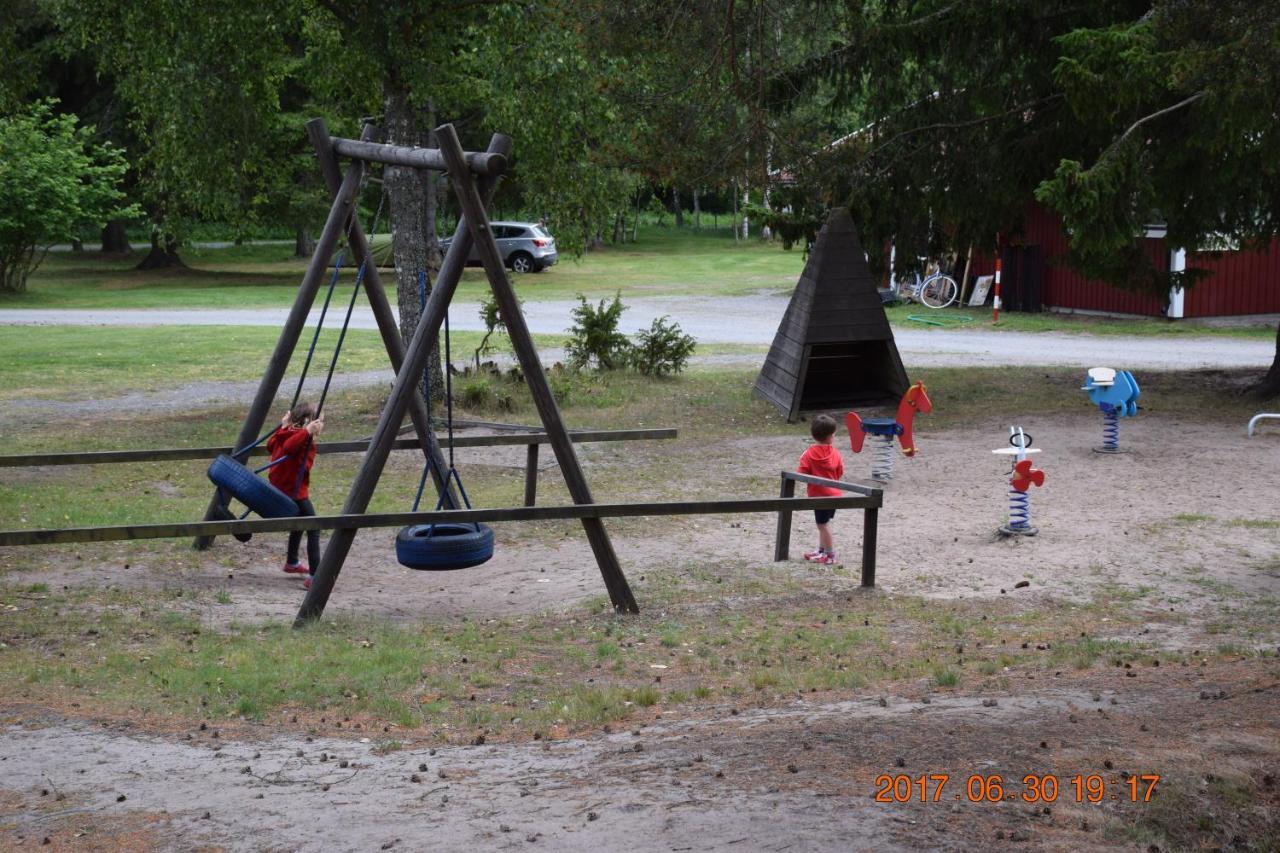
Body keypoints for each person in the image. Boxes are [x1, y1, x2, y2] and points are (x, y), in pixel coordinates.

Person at [266, 401, 325, 588]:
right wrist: (307, 432)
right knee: (314, 527)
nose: (322, 425)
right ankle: (315, 576)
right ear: (310, 422)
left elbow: (271, 445)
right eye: (320, 422)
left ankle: (292, 562)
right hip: (293, 490)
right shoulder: (300, 438)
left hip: (283, 486)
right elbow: (289, 448)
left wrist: (284, 426)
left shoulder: (285, 432)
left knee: (300, 522)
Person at [797, 414, 844, 565]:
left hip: (819, 495)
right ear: (831, 436)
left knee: (822, 525)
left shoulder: (809, 453)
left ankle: (830, 554)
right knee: (824, 523)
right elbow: (840, 471)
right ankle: (821, 551)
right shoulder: (835, 453)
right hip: (835, 495)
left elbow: (802, 474)